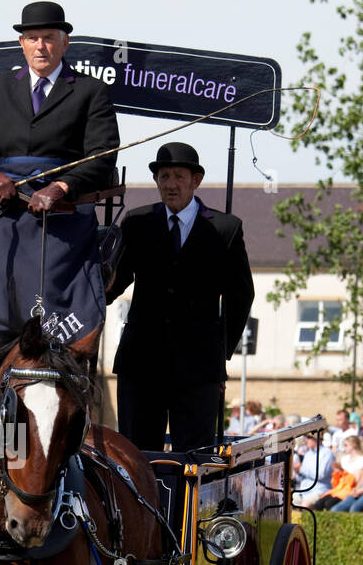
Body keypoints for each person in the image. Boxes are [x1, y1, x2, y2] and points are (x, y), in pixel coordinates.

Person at [0, 1, 119, 347]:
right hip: (5, 209)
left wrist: (61, 187)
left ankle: (60, 356)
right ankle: (0, 356)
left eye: (48, 37)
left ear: (65, 43)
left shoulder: (91, 91)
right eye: (32, 38)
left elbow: (103, 158)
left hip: (64, 213)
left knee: (56, 286)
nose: (40, 46)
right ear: (22, 44)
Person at [106, 142, 255, 450]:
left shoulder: (226, 228)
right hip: (141, 366)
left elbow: (240, 296)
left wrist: (220, 354)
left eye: (178, 176)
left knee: (193, 459)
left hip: (199, 371)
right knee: (137, 456)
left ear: (195, 180)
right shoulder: (137, 222)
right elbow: (113, 284)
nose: (170, 184)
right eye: (163, 176)